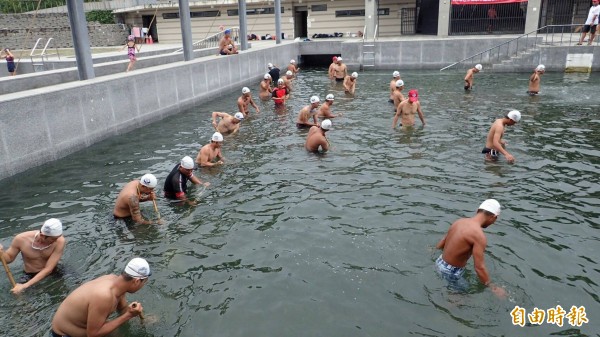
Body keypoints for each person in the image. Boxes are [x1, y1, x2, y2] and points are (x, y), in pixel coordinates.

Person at [50, 257, 151, 337]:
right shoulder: (104, 296)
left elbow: (123, 308)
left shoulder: (115, 281)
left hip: (81, 326)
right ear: (137, 281)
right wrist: (128, 315)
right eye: (144, 283)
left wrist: (142, 319)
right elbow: (93, 334)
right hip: (63, 334)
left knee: (118, 333)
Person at [435, 199, 507, 298]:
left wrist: (433, 250)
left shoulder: (459, 221)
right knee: (460, 300)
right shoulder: (478, 235)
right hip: (451, 272)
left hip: (439, 261)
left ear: (478, 210)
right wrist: (493, 287)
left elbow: (443, 241)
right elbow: (479, 267)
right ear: (493, 217)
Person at [0, 218, 65, 294]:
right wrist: (1, 252)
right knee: (17, 294)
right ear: (42, 235)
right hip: (30, 275)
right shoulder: (21, 239)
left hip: (54, 271)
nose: (56, 240)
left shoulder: (60, 240)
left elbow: (48, 268)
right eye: (53, 239)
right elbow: (8, 259)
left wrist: (25, 286)